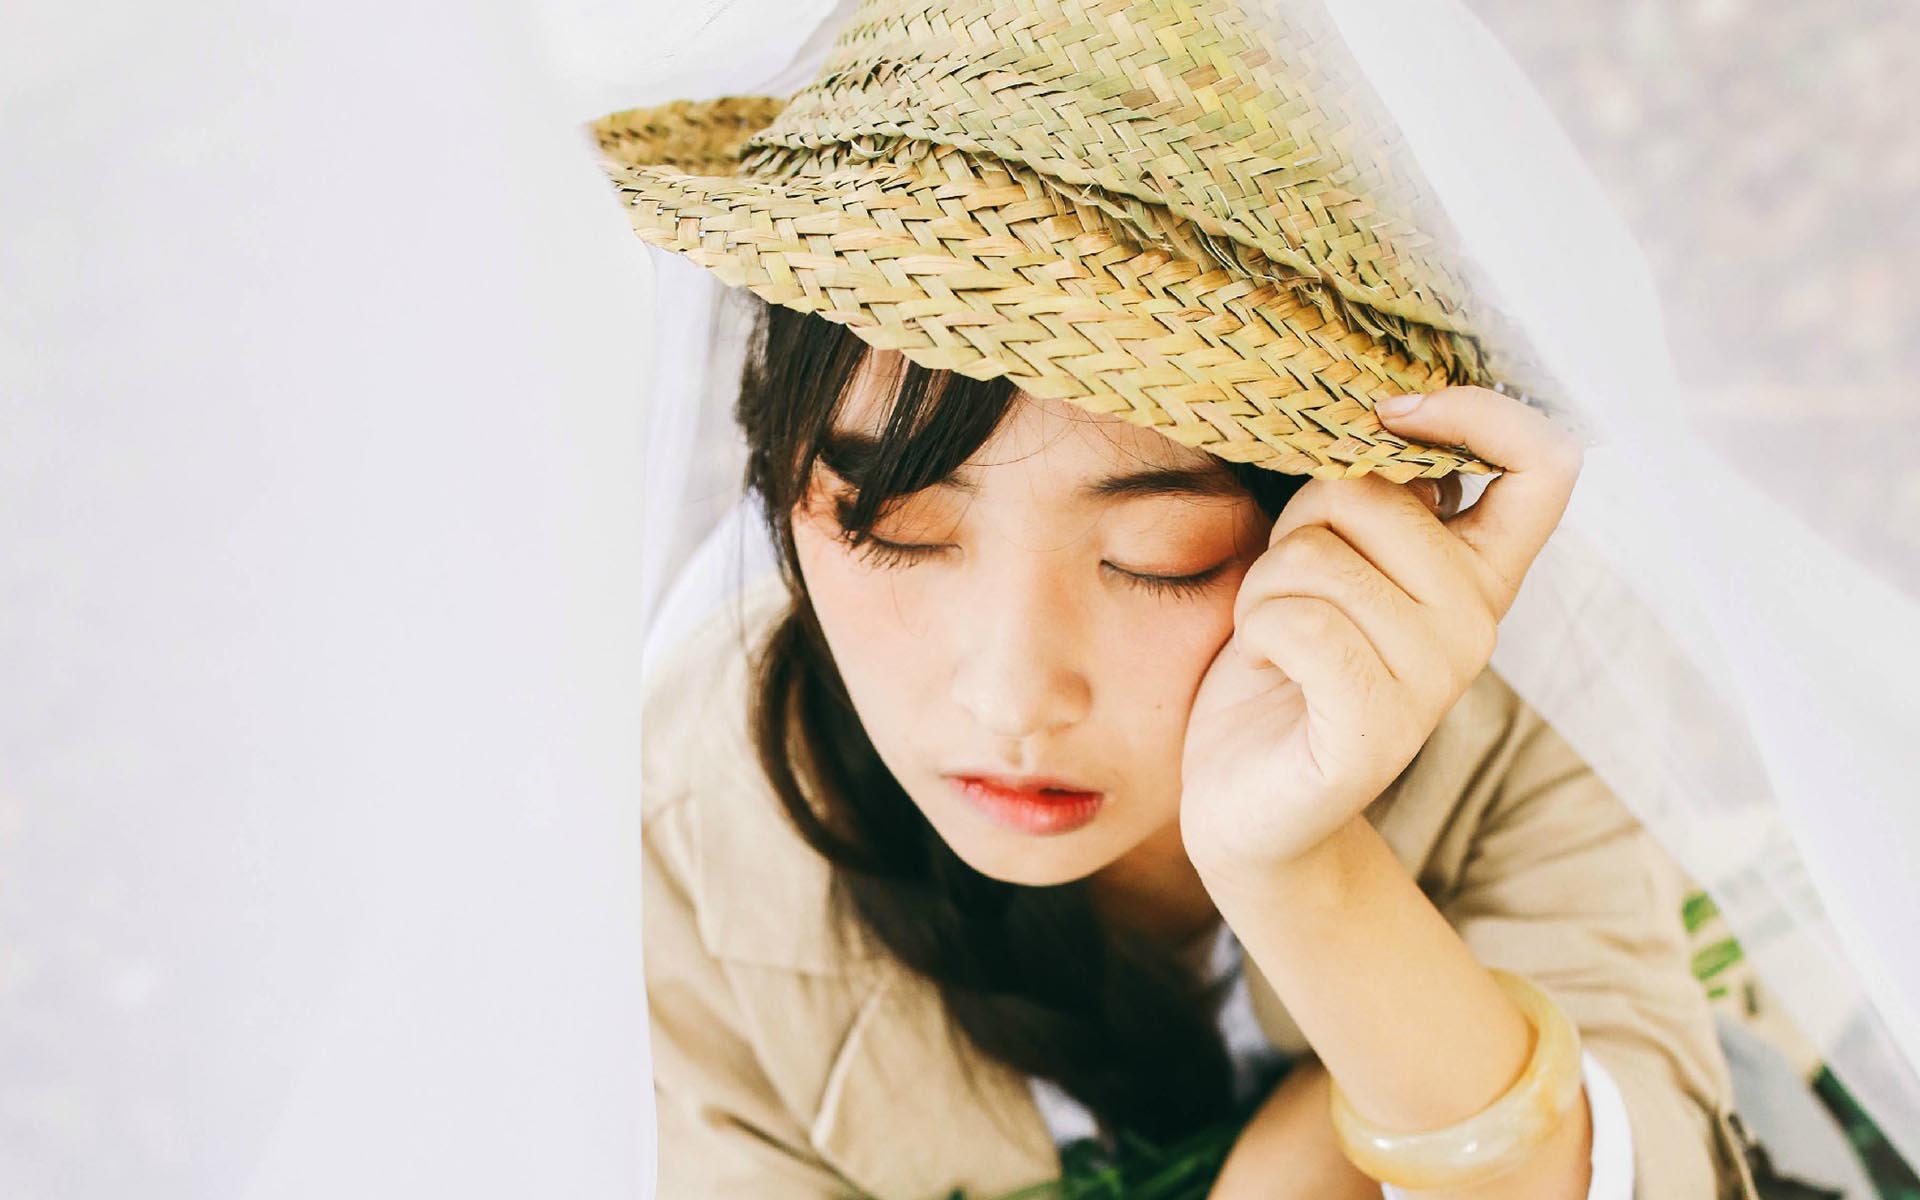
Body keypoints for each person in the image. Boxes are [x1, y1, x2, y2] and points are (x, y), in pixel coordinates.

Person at [636, 293, 1761, 1198]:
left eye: (1157, 554)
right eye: (895, 526)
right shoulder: (683, 822)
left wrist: (1302, 876)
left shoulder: (1532, 691)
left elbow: (1641, 1161)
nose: (1013, 700)